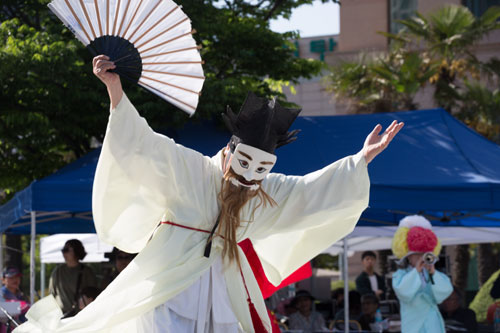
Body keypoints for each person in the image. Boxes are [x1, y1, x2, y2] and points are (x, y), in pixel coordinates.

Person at [15, 55, 403, 332]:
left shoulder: (262, 191)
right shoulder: (192, 168)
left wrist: (359, 160)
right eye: (246, 163)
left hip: (220, 283)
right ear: (231, 150)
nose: (251, 177)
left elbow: (311, 190)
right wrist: (116, 91)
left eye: (262, 169)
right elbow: (144, 144)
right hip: (169, 276)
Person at [391, 215, 453, 333]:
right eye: (417, 254)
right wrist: (416, 272)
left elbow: (445, 291)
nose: (421, 258)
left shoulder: (431, 273)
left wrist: (433, 273)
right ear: (408, 256)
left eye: (424, 254)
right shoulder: (401, 275)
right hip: (413, 324)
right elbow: (403, 292)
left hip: (432, 324)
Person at [48, 239, 97, 317]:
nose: (63, 253)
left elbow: (93, 295)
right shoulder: (58, 271)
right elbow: (51, 295)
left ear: (76, 251)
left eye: (66, 250)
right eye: (63, 250)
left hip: (81, 316)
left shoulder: (87, 272)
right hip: (61, 316)